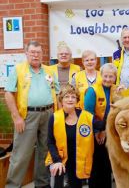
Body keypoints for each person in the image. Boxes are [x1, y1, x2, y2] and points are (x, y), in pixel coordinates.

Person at [5, 41, 59, 188]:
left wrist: (57, 117)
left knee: (45, 151)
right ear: (26, 53)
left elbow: (58, 94)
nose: (36, 55)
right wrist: (16, 117)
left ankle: (42, 184)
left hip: (48, 114)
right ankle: (12, 185)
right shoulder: (18, 70)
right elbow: (8, 94)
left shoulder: (50, 71)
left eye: (38, 52)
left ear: (42, 54)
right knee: (21, 154)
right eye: (33, 52)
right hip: (27, 116)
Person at [46, 85, 94, 188]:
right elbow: (50, 142)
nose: (70, 99)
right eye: (67, 97)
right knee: (58, 171)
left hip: (77, 160)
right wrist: (57, 161)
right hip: (58, 158)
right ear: (61, 100)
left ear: (77, 100)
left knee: (75, 183)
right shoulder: (54, 117)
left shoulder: (86, 116)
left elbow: (101, 125)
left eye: (73, 97)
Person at [84, 63, 116, 188]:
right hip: (96, 132)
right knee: (97, 163)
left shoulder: (116, 89)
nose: (108, 79)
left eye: (111, 77)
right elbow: (88, 114)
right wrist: (98, 131)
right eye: (105, 76)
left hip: (111, 133)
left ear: (115, 78)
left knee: (107, 163)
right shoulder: (92, 90)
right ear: (100, 75)